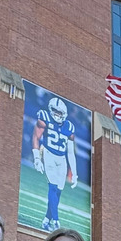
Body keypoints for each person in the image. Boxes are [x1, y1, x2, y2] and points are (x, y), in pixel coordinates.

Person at [32, 96, 78, 232]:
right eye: (55, 112)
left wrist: (74, 173)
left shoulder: (69, 127)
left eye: (60, 112)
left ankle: (46, 220)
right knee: (52, 188)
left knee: (58, 192)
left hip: (61, 159)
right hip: (48, 154)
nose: (57, 115)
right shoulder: (44, 118)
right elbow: (36, 137)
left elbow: (70, 152)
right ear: (51, 110)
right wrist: (37, 158)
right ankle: (56, 221)